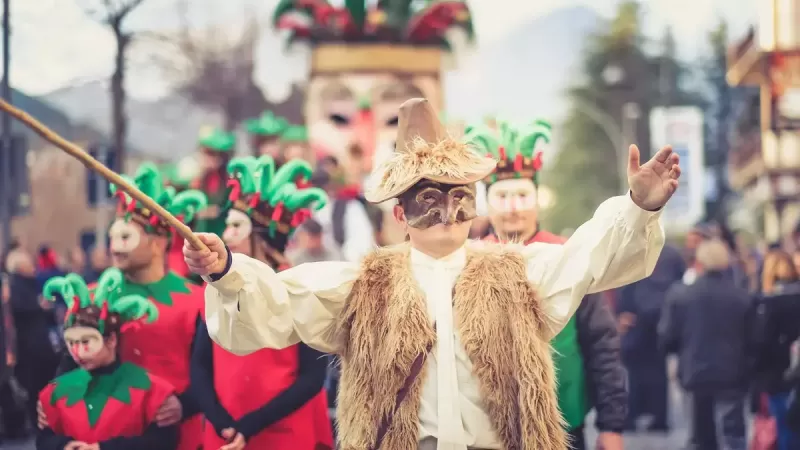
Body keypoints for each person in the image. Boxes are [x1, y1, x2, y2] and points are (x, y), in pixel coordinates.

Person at [185, 97, 678, 450]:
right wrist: (226, 271)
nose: (448, 211)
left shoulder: (518, 273)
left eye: (459, 196)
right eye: (428, 199)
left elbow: (588, 259)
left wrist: (637, 207)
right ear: (400, 215)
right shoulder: (361, 286)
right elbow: (277, 301)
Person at [467, 119, 626, 450]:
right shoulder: (470, 262)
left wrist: (612, 425)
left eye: (522, 195)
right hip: (490, 426)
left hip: (564, 417)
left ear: (538, 198)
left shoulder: (568, 257)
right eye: (503, 196)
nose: (513, 208)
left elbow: (601, 342)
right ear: (488, 203)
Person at [41, 164, 209, 450]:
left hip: (175, 436)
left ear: (157, 243)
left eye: (125, 238)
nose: (114, 248)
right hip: (103, 434)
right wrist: (52, 400)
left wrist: (185, 405)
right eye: (112, 238)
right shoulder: (93, 296)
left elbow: (209, 370)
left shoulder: (197, 300)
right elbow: (70, 360)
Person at [191, 155, 334, 450]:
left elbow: (312, 377)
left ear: (262, 238)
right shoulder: (216, 288)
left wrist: (252, 424)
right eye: (227, 225)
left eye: (236, 227)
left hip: (283, 436)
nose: (226, 235)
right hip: (225, 436)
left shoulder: (299, 289)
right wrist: (223, 423)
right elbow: (200, 366)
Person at [36, 269, 178, 449]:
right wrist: (64, 446)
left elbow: (164, 442)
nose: (77, 352)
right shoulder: (56, 391)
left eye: (87, 341)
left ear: (111, 340)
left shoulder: (149, 389)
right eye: (71, 342)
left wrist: (105, 448)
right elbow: (43, 439)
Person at [659, 239, 752, 450]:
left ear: (698, 263)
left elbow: (667, 338)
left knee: (699, 436)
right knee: (733, 435)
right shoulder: (741, 297)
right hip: (732, 373)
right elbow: (753, 339)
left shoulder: (680, 295)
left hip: (694, 373)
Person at [616, 244, 685, 432]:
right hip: (660, 318)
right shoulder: (672, 253)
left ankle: (633, 416)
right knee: (657, 371)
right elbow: (679, 282)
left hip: (637, 319)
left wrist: (622, 311)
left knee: (634, 372)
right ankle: (658, 419)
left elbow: (623, 282)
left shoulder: (631, 249)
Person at [6, 250, 59, 432]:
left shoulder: (32, 284)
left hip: (41, 345)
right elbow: (18, 309)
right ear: (20, 266)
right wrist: (39, 305)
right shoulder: (15, 285)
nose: (33, 266)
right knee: (33, 388)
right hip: (28, 348)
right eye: (29, 263)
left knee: (44, 386)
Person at [752, 249, 800, 450]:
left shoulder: (768, 304)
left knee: (783, 426)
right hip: (794, 374)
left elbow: (761, 343)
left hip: (776, 375)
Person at [192, 127, 236, 237]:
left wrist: (215, 212)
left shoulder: (228, 180)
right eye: (205, 152)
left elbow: (228, 207)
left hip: (219, 233)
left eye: (211, 153)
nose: (206, 158)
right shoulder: (199, 177)